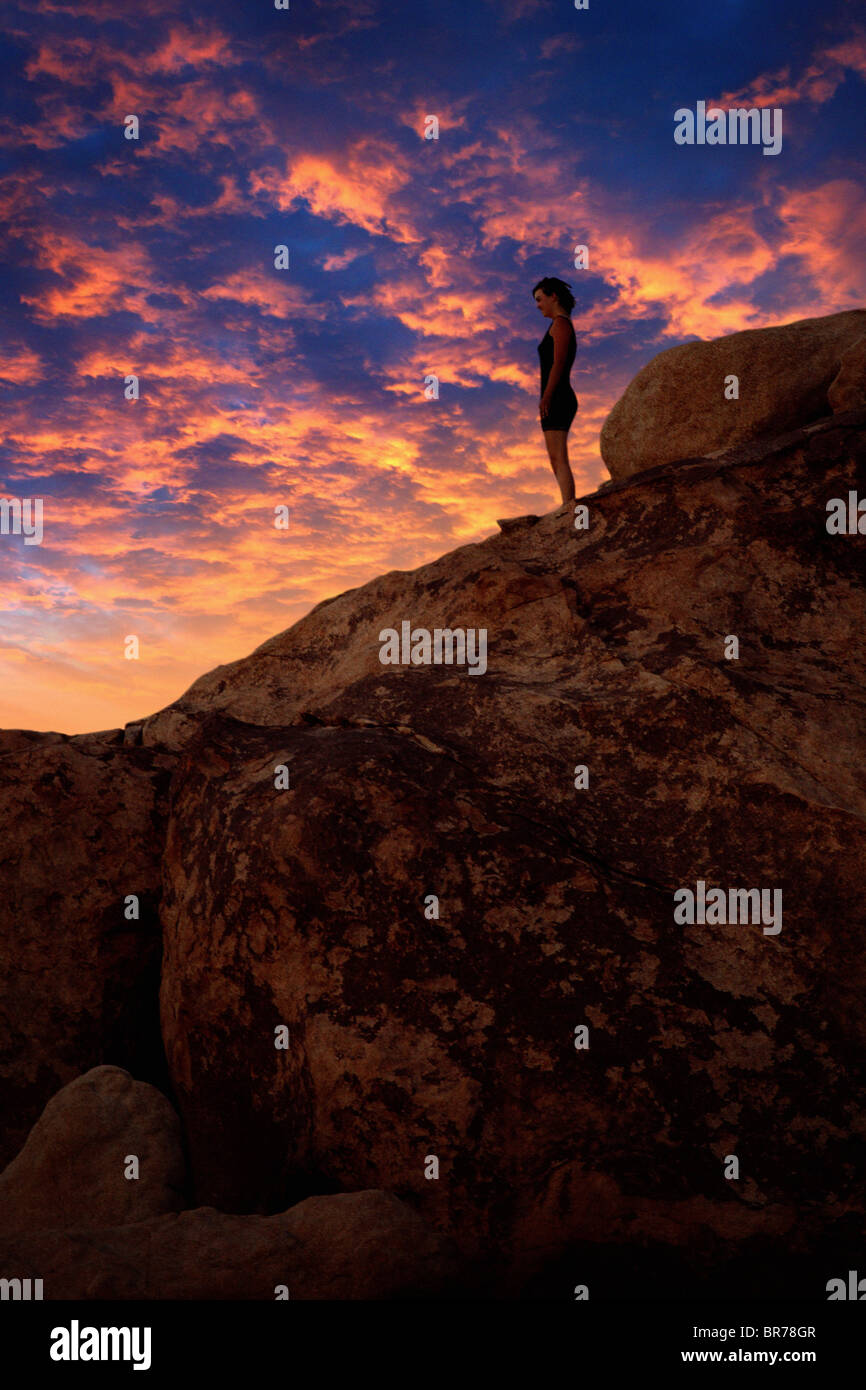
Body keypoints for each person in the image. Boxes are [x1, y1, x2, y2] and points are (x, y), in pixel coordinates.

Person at [533, 277, 578, 503]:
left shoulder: (561, 324)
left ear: (554, 297)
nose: (538, 305)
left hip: (559, 397)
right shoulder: (557, 325)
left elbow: (559, 363)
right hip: (554, 396)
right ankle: (566, 505)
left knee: (559, 457)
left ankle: (569, 507)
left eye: (540, 299)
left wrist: (547, 396)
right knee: (554, 457)